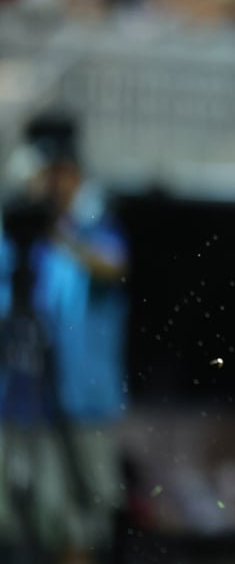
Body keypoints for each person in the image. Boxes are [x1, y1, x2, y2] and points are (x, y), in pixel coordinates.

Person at [0, 112, 130, 564]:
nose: (54, 185)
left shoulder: (92, 232)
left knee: (80, 522)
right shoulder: (14, 236)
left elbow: (113, 267)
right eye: (45, 175)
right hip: (18, 404)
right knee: (23, 520)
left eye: (64, 174)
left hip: (82, 406)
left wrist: (59, 229)